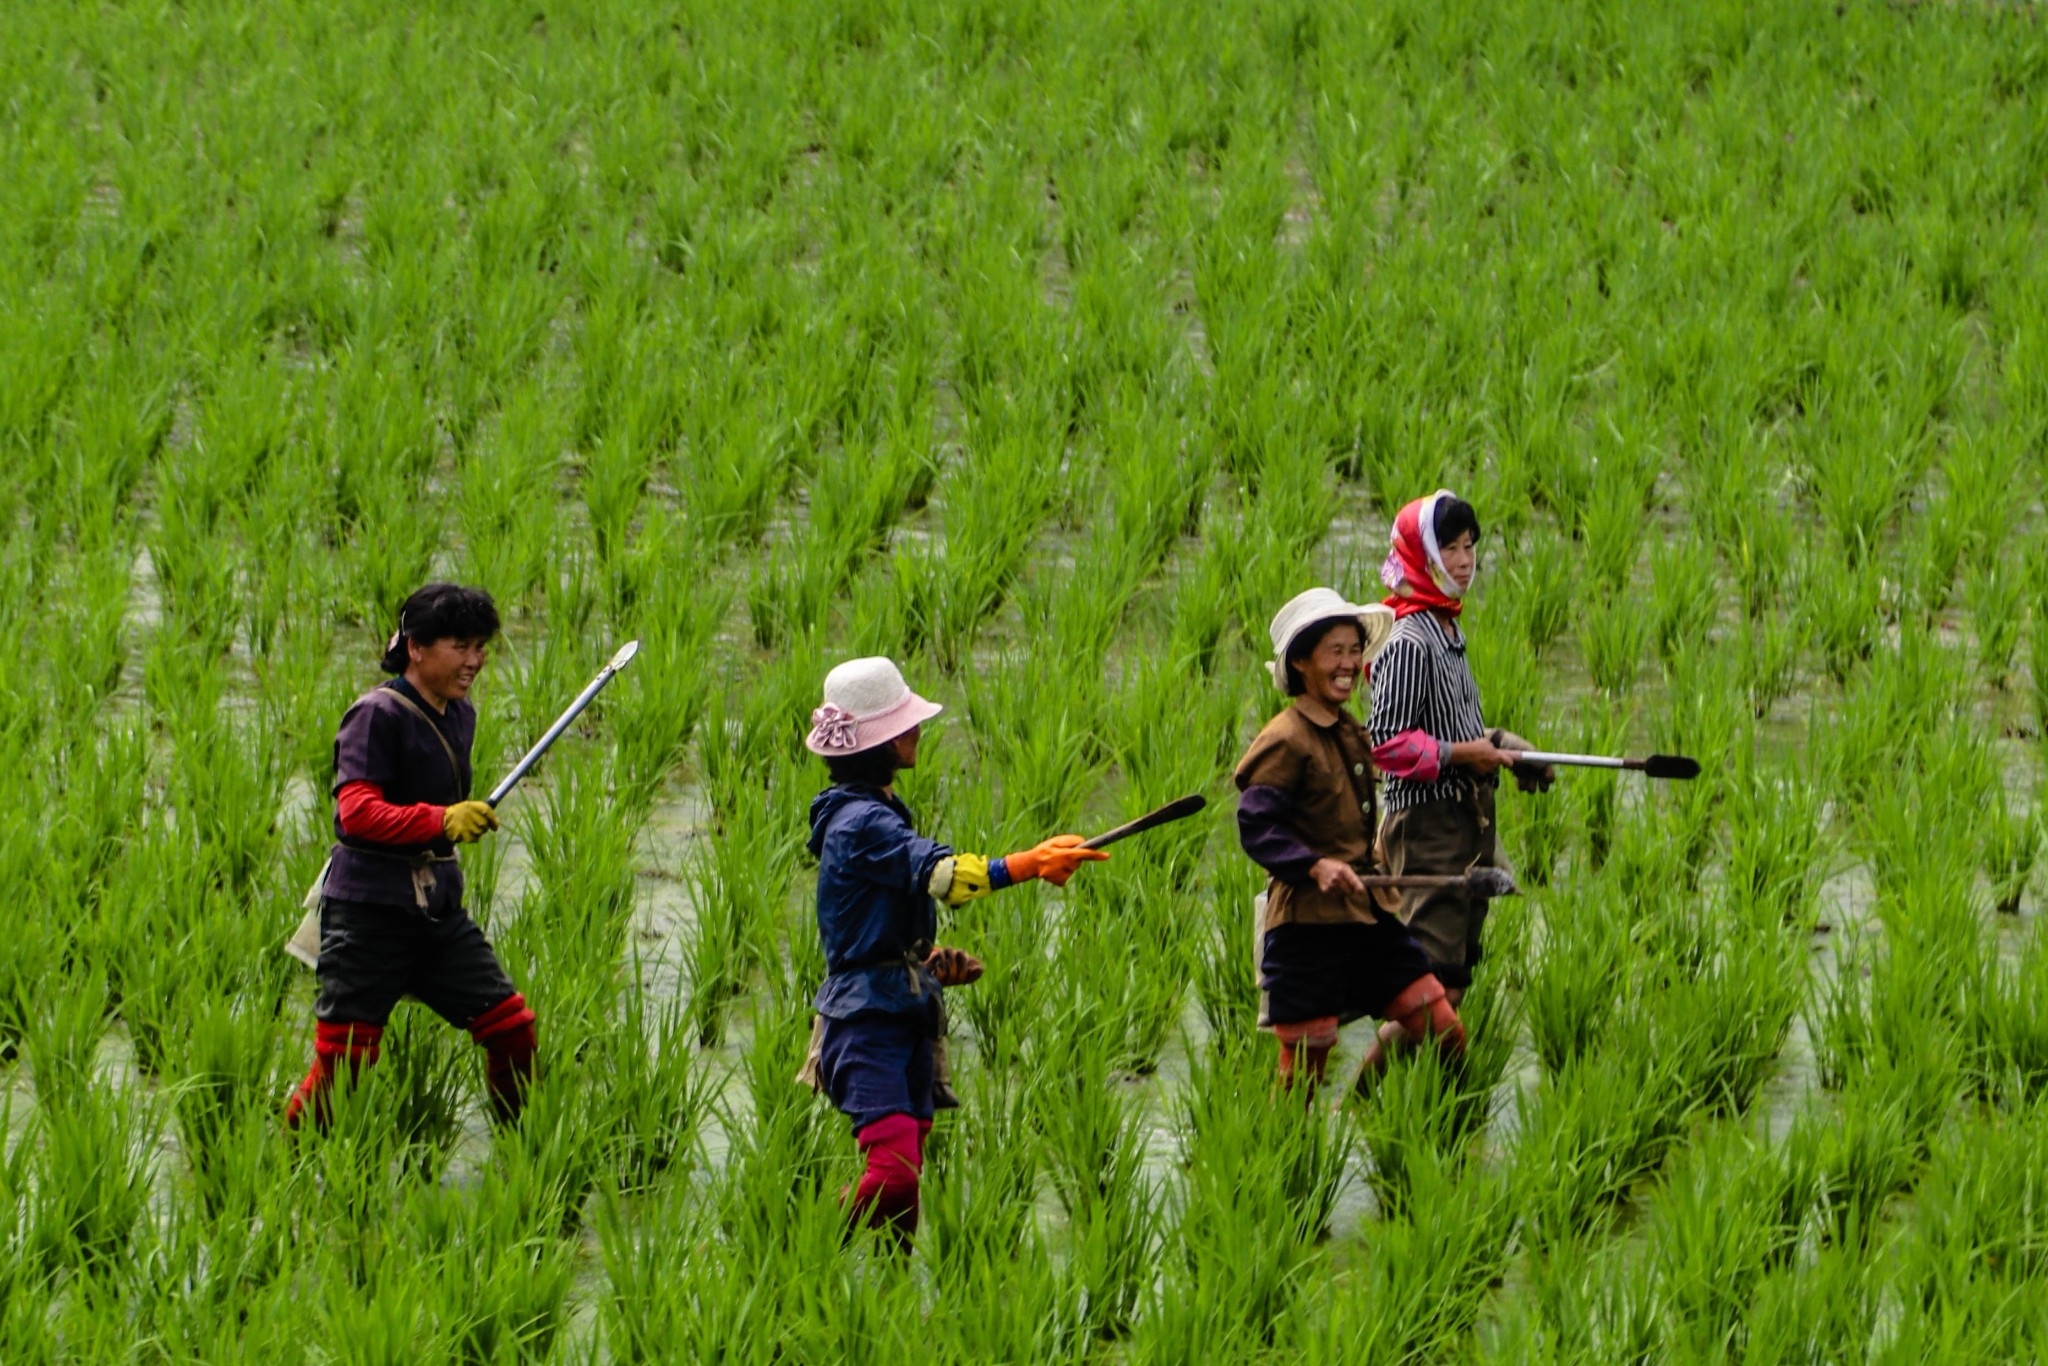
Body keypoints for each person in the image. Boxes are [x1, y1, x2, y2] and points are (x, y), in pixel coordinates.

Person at [800, 656, 1108, 1248]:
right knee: (891, 1173)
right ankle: (801, 1251)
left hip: (899, 1008)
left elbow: (865, 922)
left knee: (906, 1176)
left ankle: (893, 1292)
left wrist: (930, 956)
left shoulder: (874, 811)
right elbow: (943, 876)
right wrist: (1030, 864)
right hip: (865, 1023)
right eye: (904, 725)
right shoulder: (860, 822)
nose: (917, 731)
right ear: (878, 743)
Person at [284, 583, 537, 1132]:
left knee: (512, 1028)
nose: (474, 660)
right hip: (368, 913)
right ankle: (287, 1167)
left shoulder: (459, 713)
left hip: (434, 913)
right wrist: (442, 820)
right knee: (344, 1066)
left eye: (480, 645)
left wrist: (448, 823)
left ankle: (523, 1152)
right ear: (417, 647)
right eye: (460, 646)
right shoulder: (377, 715)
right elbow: (356, 813)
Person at [1234, 589, 1466, 1097]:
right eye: (1334, 652)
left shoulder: (1348, 731)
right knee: (1303, 1077)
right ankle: (1287, 1167)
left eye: (1354, 650)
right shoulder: (1285, 739)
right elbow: (1257, 826)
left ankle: (1415, 1118)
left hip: (1366, 915)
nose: (1348, 664)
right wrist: (1314, 865)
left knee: (1442, 1024)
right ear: (1301, 662)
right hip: (1307, 929)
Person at [1368, 491, 1551, 1027]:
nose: (1466, 561)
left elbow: (1457, 728)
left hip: (1465, 822)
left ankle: (1397, 1099)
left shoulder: (1447, 628)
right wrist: (1461, 755)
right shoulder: (1408, 641)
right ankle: (1356, 1104)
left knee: (1452, 983)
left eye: (1470, 546)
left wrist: (1505, 743)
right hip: (1426, 826)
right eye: (1449, 548)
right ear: (1421, 555)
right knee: (1432, 991)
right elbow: (1388, 746)